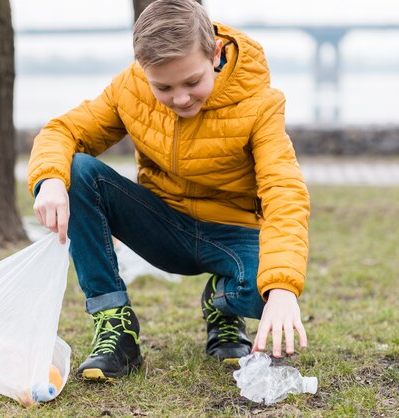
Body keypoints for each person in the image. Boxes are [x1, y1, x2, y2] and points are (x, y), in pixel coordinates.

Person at [28, 0, 310, 381]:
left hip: (232, 237)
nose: (180, 99)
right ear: (144, 71)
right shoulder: (130, 87)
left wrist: (281, 288)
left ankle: (221, 304)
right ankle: (116, 328)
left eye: (192, 82)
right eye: (163, 86)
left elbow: (284, 190)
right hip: (164, 226)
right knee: (76, 170)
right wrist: (49, 180)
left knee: (273, 290)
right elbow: (64, 130)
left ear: (214, 53)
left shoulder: (261, 104)